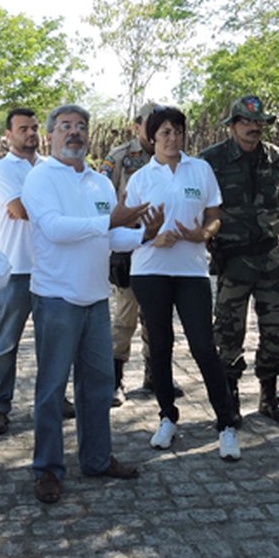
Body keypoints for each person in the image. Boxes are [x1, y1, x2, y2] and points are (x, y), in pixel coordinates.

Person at [22, 104, 163, 504]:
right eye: (65, 126)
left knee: (98, 388)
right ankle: (47, 469)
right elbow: (54, 228)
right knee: (51, 390)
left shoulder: (99, 182)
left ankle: (98, 459)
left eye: (81, 127)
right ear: (50, 135)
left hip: (96, 300)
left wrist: (143, 236)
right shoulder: (40, 178)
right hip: (56, 299)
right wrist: (111, 222)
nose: (74, 133)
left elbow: (110, 239)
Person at [125, 106, 243, 460]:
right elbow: (126, 227)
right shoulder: (140, 179)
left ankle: (226, 424)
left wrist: (202, 234)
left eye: (177, 131)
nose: (172, 138)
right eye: (164, 132)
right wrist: (150, 237)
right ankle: (167, 416)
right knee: (160, 346)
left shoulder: (201, 169)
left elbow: (214, 215)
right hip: (149, 271)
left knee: (204, 346)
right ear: (151, 138)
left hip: (191, 270)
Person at [200, 95, 279, 426]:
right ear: (233, 125)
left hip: (269, 259)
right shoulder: (211, 161)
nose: (254, 128)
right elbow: (201, 205)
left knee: (274, 330)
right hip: (233, 260)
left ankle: (269, 397)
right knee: (228, 331)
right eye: (246, 122)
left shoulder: (275, 158)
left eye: (259, 122)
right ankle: (230, 399)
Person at [100, 101, 178, 404]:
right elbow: (106, 201)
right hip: (129, 249)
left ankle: (155, 377)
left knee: (157, 318)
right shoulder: (120, 157)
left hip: (164, 250)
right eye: (151, 122)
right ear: (138, 125)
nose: (159, 128)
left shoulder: (173, 157)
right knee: (124, 317)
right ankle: (114, 381)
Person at [0, 107, 43, 436]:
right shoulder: (2, 169)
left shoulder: (51, 167)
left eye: (34, 128)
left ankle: (52, 398)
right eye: (23, 129)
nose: (31, 133)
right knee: (7, 342)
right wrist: (55, 210)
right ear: (8, 135)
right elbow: (18, 210)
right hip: (17, 268)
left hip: (50, 270)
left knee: (52, 342)